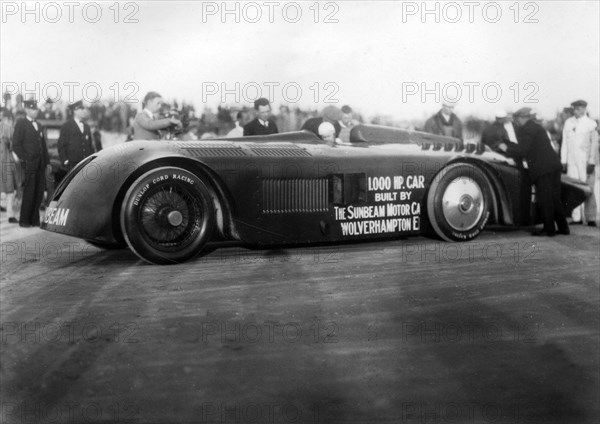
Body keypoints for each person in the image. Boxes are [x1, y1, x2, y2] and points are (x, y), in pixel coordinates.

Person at [498, 107, 568, 237]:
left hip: (543, 169)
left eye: (517, 118)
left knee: (544, 198)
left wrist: (506, 147)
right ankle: (563, 227)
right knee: (554, 198)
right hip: (553, 166)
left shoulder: (527, 129)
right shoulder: (536, 127)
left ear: (523, 118)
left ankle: (549, 229)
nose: (515, 121)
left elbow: (522, 150)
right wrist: (509, 143)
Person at [11, 99, 50, 228]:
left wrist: (47, 162)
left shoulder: (39, 125)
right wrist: (25, 159)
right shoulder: (21, 123)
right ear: (27, 110)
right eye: (33, 109)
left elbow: (43, 146)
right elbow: (16, 145)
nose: (36, 111)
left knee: (39, 192)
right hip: (29, 163)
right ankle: (25, 220)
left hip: (40, 164)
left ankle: (34, 219)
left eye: (36, 109)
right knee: (29, 191)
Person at [561, 100, 598, 226]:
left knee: (588, 188)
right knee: (574, 187)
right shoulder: (568, 122)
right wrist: (563, 160)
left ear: (584, 109)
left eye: (578, 108)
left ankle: (591, 217)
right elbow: (565, 143)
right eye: (574, 108)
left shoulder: (591, 124)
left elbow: (594, 144)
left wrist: (592, 161)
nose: (576, 111)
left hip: (585, 160)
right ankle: (576, 217)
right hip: (572, 160)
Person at [57, 100, 94, 171]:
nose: (84, 111)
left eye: (84, 109)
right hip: (72, 166)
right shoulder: (67, 126)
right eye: (81, 109)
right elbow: (61, 145)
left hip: (86, 164)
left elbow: (90, 146)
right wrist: (65, 161)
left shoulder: (87, 127)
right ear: (75, 111)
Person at [0, 108, 18, 223]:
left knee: (8, 187)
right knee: (9, 188)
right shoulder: (7, 128)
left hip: (4, 159)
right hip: (5, 160)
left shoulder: (6, 128)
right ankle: (10, 214)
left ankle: (8, 211)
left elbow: (11, 145)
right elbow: (12, 145)